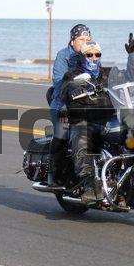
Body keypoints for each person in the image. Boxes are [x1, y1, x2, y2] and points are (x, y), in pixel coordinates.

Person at [61, 34, 134, 203]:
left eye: (97, 54)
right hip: (85, 120)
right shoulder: (73, 74)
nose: (94, 58)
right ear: (83, 56)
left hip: (108, 119)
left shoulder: (109, 73)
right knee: (83, 140)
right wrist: (75, 89)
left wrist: (133, 56)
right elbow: (66, 90)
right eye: (89, 54)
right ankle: (90, 186)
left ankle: (129, 182)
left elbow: (131, 77)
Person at [46, 24, 92, 188]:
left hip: (87, 104)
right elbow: (59, 83)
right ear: (72, 41)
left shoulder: (91, 55)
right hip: (63, 104)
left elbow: (101, 77)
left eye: (88, 39)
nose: (85, 42)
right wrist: (68, 102)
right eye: (81, 39)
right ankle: (53, 172)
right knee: (63, 133)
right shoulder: (63, 56)